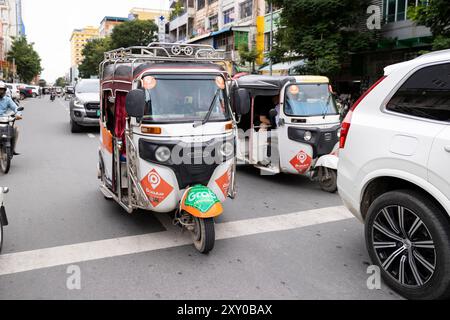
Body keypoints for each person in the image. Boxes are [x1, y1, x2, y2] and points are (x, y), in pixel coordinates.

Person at [0, 81, 22, 155]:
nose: (0, 91)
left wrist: (18, 114)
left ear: (4, 90)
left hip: (4, 120)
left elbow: (16, 108)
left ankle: (13, 149)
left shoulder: (7, 99)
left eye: (1, 89)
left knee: (16, 130)